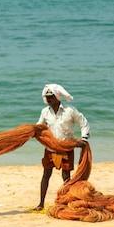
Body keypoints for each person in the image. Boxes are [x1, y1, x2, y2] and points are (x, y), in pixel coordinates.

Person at [34, 83, 90, 212]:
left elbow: (83, 122)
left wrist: (84, 138)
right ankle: (41, 203)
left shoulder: (70, 111)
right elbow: (39, 126)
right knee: (46, 174)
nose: (48, 99)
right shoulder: (45, 112)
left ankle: (67, 201)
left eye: (51, 97)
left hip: (66, 147)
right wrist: (31, 132)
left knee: (66, 176)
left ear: (57, 97)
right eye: (47, 97)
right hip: (50, 149)